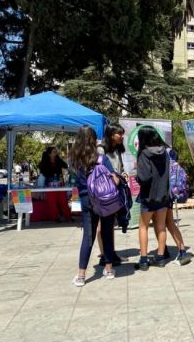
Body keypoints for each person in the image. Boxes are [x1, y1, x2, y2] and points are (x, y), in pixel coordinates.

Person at [70, 126, 118, 287]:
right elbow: (113, 178)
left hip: (87, 202)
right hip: (105, 201)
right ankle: (109, 269)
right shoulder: (101, 158)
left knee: (88, 237)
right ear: (93, 139)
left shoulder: (75, 160)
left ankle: (81, 275)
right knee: (107, 233)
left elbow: (75, 182)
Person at [136, 126, 170, 270]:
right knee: (161, 227)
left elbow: (144, 177)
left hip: (148, 196)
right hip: (163, 195)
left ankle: (144, 260)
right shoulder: (165, 152)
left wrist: (137, 175)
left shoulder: (144, 154)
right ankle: (160, 258)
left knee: (143, 227)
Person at [97, 123, 126, 266]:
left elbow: (119, 166)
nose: (121, 136)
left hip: (116, 188)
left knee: (110, 223)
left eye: (122, 134)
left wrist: (122, 174)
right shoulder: (101, 150)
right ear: (110, 135)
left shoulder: (117, 149)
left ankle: (111, 252)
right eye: (119, 134)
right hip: (104, 190)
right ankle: (104, 255)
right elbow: (99, 171)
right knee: (102, 224)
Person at [38, 146, 71, 222]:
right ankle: (55, 217)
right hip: (50, 184)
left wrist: (59, 159)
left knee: (63, 200)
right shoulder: (45, 162)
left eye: (56, 152)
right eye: (54, 152)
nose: (56, 153)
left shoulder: (58, 160)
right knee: (52, 202)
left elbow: (65, 166)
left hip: (60, 183)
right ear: (49, 154)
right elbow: (43, 171)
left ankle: (67, 216)